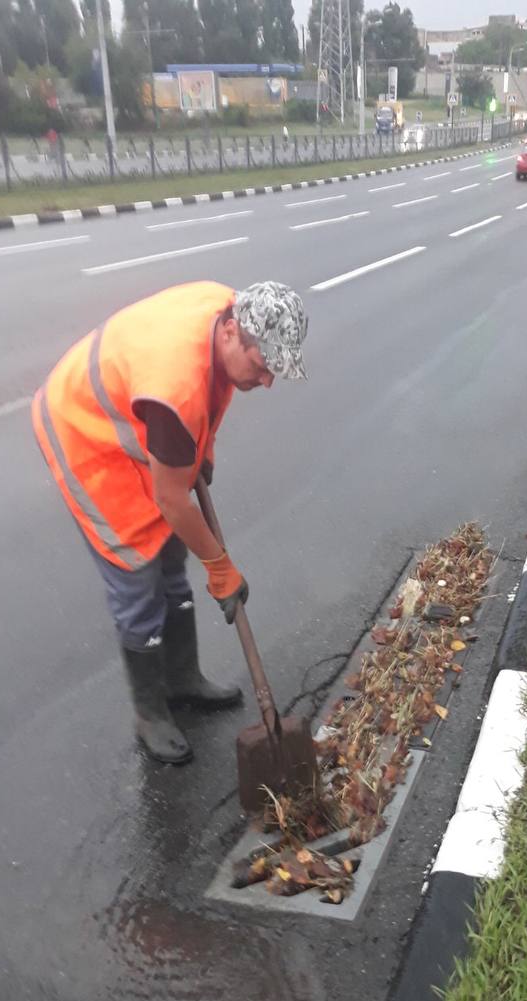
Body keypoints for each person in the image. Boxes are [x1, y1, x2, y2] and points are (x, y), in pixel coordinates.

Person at [33, 281, 308, 765]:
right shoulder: (175, 387)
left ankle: (183, 679)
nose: (267, 381)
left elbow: (213, 393)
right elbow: (172, 499)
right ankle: (150, 714)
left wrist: (203, 449)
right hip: (83, 433)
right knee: (137, 569)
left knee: (172, 558)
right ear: (230, 333)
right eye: (263, 367)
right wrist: (220, 568)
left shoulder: (228, 307)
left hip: (135, 414)